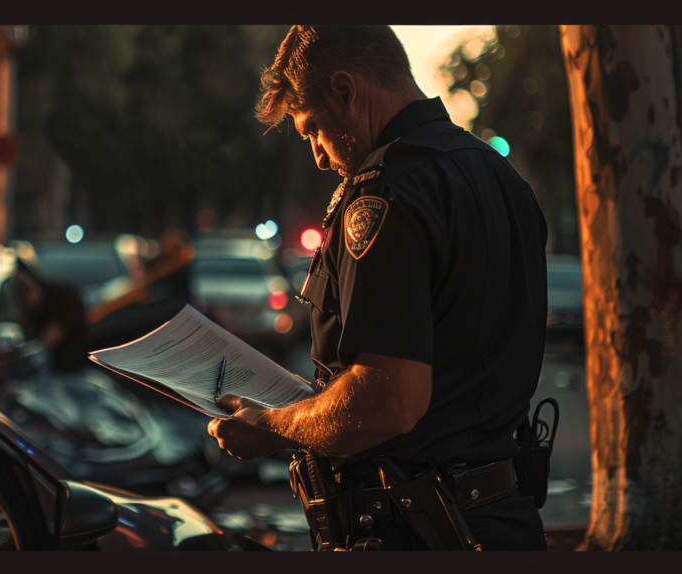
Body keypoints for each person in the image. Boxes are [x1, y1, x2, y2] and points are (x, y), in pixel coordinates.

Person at [207, 25, 549, 551]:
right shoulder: (503, 180)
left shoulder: (384, 194)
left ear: (345, 90)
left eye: (313, 128)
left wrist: (273, 427)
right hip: (506, 520)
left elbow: (389, 400)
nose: (319, 156)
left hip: (413, 530)